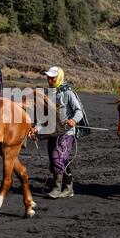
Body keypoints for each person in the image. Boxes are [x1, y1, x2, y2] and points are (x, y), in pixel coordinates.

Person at [30, 66, 84, 199]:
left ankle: (56, 188)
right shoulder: (48, 93)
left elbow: (79, 111)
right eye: (48, 77)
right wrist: (37, 128)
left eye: (53, 77)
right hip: (52, 132)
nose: (50, 79)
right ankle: (68, 188)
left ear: (59, 77)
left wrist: (73, 120)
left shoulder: (68, 92)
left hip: (67, 132)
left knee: (57, 158)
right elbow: (44, 116)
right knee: (58, 160)